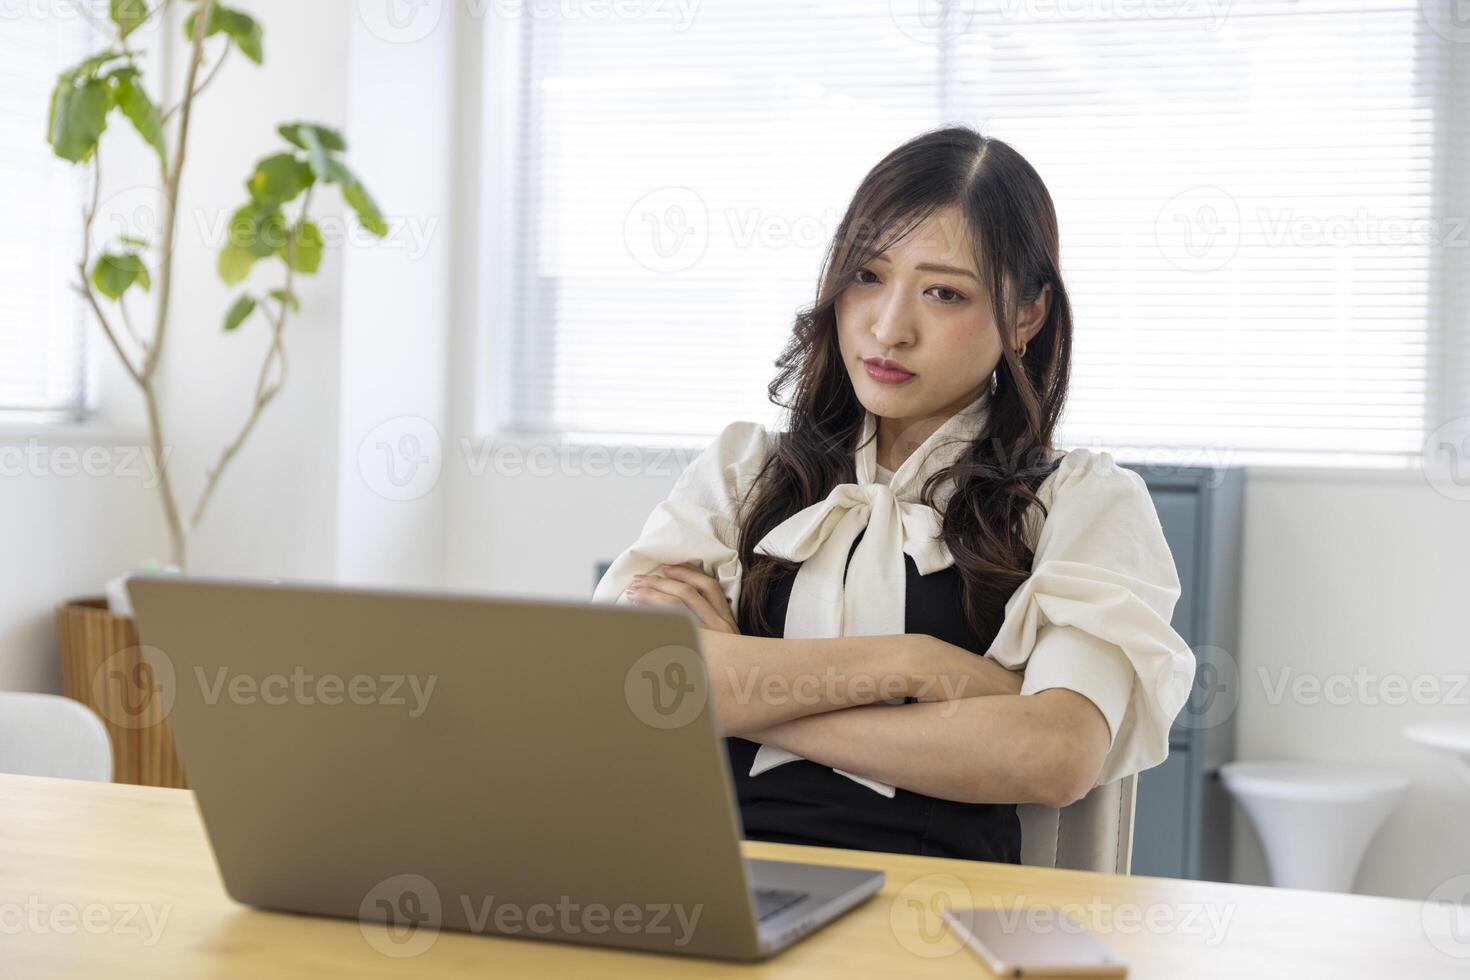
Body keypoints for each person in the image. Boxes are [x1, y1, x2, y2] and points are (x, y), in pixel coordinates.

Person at [592, 125, 1195, 864]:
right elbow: (627, 679)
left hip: (941, 920)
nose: (888, 327)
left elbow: (1055, 752)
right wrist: (916, 665)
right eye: (868, 276)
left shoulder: (1079, 501)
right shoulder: (742, 470)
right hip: (709, 888)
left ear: (1028, 315)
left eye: (944, 292)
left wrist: (739, 697)